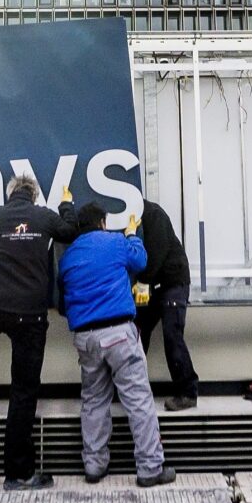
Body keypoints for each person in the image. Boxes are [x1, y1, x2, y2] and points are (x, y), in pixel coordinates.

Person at [56, 202, 173, 487]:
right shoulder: (114, 241)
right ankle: (149, 469)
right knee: (138, 401)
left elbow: (61, 304)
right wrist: (133, 233)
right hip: (118, 332)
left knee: (94, 402)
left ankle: (94, 466)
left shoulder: (68, 257)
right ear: (102, 223)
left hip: (85, 339)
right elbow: (140, 261)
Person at [0, 172, 65, 489]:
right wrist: (69, 205)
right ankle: (18, 473)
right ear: (33, 195)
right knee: (22, 392)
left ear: (10, 195)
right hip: (30, 315)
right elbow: (70, 230)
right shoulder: (44, 217)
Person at [132, 199, 198, 410]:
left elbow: (157, 253)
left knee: (172, 333)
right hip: (153, 283)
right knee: (137, 334)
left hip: (172, 281)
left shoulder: (153, 213)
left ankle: (187, 392)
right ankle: (133, 388)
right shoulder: (134, 216)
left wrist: (142, 283)